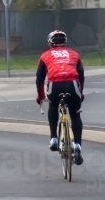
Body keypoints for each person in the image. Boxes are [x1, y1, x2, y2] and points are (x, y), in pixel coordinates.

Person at [36, 30, 84, 165]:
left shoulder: (45, 55)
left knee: (53, 105)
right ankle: (77, 145)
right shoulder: (74, 54)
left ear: (50, 43)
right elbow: (81, 76)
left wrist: (40, 97)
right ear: (65, 42)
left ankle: (54, 139)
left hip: (55, 85)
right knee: (75, 114)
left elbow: (39, 79)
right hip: (72, 84)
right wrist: (81, 93)